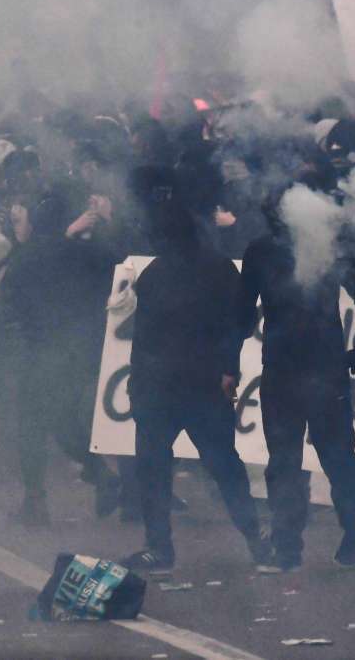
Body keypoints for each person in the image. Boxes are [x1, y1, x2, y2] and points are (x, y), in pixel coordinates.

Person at [121, 200, 271, 574]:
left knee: (154, 468)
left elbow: (143, 336)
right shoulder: (217, 268)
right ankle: (256, 541)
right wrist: (228, 369)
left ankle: (159, 549)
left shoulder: (155, 273)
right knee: (224, 466)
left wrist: (137, 385)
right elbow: (242, 320)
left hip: (162, 387)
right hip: (202, 384)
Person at [237, 184, 355, 572]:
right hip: (317, 368)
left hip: (290, 370)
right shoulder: (324, 246)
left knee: (288, 460)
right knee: (332, 456)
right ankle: (345, 526)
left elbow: (242, 313)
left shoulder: (264, 251)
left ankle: (289, 548)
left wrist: (226, 360)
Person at [0, 190, 121, 526]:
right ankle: (101, 474)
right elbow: (123, 269)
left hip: (40, 350)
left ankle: (36, 502)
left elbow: (7, 301)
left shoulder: (27, 256)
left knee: (33, 426)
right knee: (63, 419)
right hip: (80, 351)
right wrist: (105, 225)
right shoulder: (87, 252)